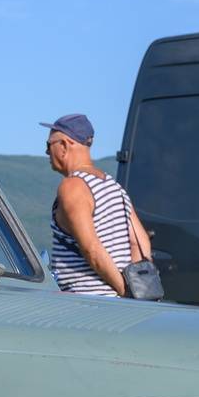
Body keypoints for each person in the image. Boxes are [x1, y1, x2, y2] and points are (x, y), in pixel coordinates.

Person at [44, 113, 150, 297]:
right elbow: (139, 242)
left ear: (64, 145)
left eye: (48, 145)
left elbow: (91, 249)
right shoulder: (114, 187)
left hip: (85, 305)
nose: (46, 152)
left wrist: (124, 290)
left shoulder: (72, 187)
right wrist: (136, 291)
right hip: (121, 305)